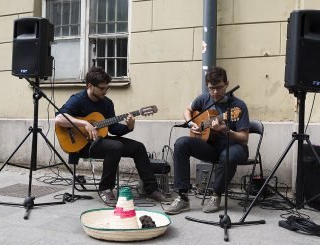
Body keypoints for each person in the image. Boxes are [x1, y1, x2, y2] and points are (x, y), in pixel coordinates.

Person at [55, 66, 166, 205]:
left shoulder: (107, 103)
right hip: (83, 145)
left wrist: (129, 126)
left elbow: (113, 128)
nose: (105, 91)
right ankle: (105, 189)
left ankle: (152, 190)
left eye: (107, 88)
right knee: (115, 146)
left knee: (138, 147)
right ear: (90, 85)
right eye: (102, 89)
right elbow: (59, 119)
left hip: (101, 142)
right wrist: (84, 124)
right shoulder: (78, 99)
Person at [164, 66, 249, 214]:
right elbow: (187, 110)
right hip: (211, 146)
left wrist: (225, 130)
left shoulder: (238, 106)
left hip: (234, 146)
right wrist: (191, 123)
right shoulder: (204, 98)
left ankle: (216, 194)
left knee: (227, 155)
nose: (215, 92)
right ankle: (183, 197)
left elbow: (244, 138)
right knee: (181, 143)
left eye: (219, 88)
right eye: (211, 88)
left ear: (227, 84)